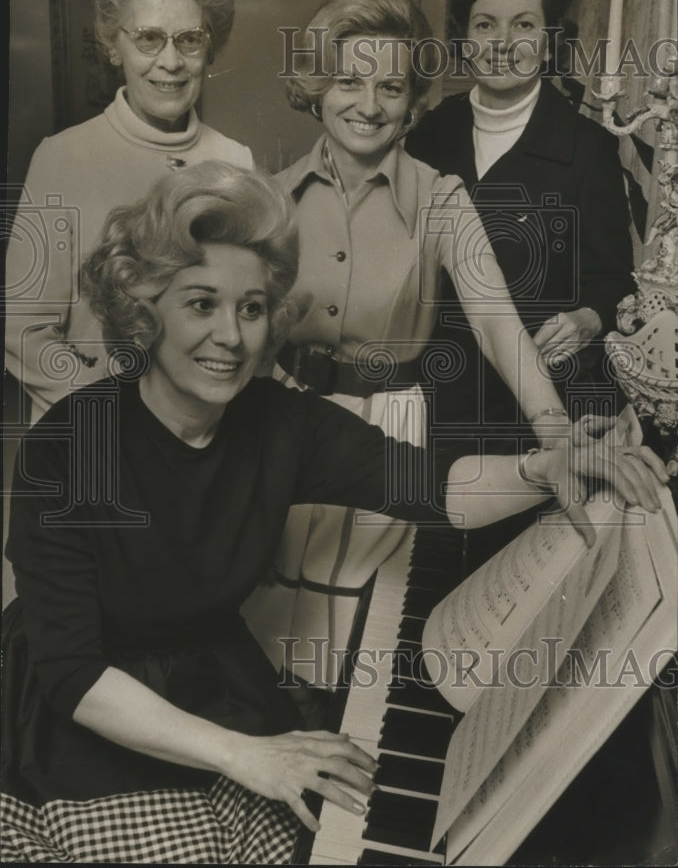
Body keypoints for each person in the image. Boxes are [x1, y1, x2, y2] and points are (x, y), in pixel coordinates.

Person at [1, 160, 667, 865]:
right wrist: (246, 755)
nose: (230, 336)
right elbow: (72, 672)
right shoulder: (70, 447)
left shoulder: (282, 423)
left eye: (251, 308)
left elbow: (430, 485)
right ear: (147, 311)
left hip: (211, 680)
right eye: (201, 304)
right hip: (83, 713)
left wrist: (543, 466)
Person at [242, 0, 596, 686]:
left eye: (391, 86)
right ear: (318, 87)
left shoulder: (442, 197)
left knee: (354, 638)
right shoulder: (269, 197)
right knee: (261, 611)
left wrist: (555, 433)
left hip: (389, 423)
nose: (368, 104)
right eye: (348, 80)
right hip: (281, 416)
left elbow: (496, 323)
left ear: (412, 104)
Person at [5, 0, 252, 423]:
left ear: (211, 47)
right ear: (113, 45)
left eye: (190, 39)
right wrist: (119, 420)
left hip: (200, 441)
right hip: (91, 434)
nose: (171, 61)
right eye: (148, 38)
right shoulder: (62, 158)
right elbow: (20, 329)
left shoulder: (236, 161)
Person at [405, 0, 635, 429]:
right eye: (486, 24)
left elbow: (616, 282)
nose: (503, 44)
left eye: (524, 25)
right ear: (464, 36)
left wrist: (587, 319)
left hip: (541, 408)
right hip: (436, 398)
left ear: (551, 38)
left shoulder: (588, 148)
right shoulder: (428, 135)